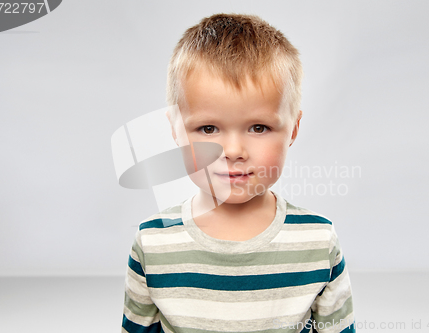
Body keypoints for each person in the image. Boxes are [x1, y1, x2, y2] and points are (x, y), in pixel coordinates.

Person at [122, 13, 355, 333]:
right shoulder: (152, 242)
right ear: (175, 130)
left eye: (259, 127)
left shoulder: (318, 241)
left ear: (293, 129)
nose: (232, 151)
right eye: (208, 128)